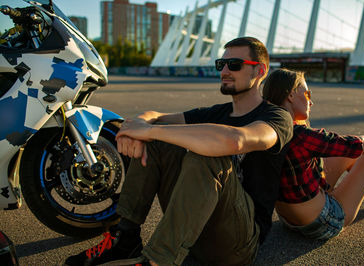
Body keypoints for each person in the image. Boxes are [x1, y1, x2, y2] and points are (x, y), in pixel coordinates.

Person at [64, 37, 293, 266]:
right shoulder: (215, 113)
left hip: (237, 245)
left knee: (207, 155)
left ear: (260, 70)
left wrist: (149, 131)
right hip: (194, 230)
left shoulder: (276, 117)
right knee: (157, 144)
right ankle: (125, 239)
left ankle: (157, 261)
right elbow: (154, 116)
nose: (224, 71)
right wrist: (134, 129)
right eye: (220, 64)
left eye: (234, 64)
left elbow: (235, 141)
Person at [263, 68, 364, 240]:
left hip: (288, 219)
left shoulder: (264, 128)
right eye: (307, 94)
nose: (310, 102)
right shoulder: (300, 135)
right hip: (324, 222)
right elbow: (357, 145)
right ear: (290, 95)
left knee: (343, 152)